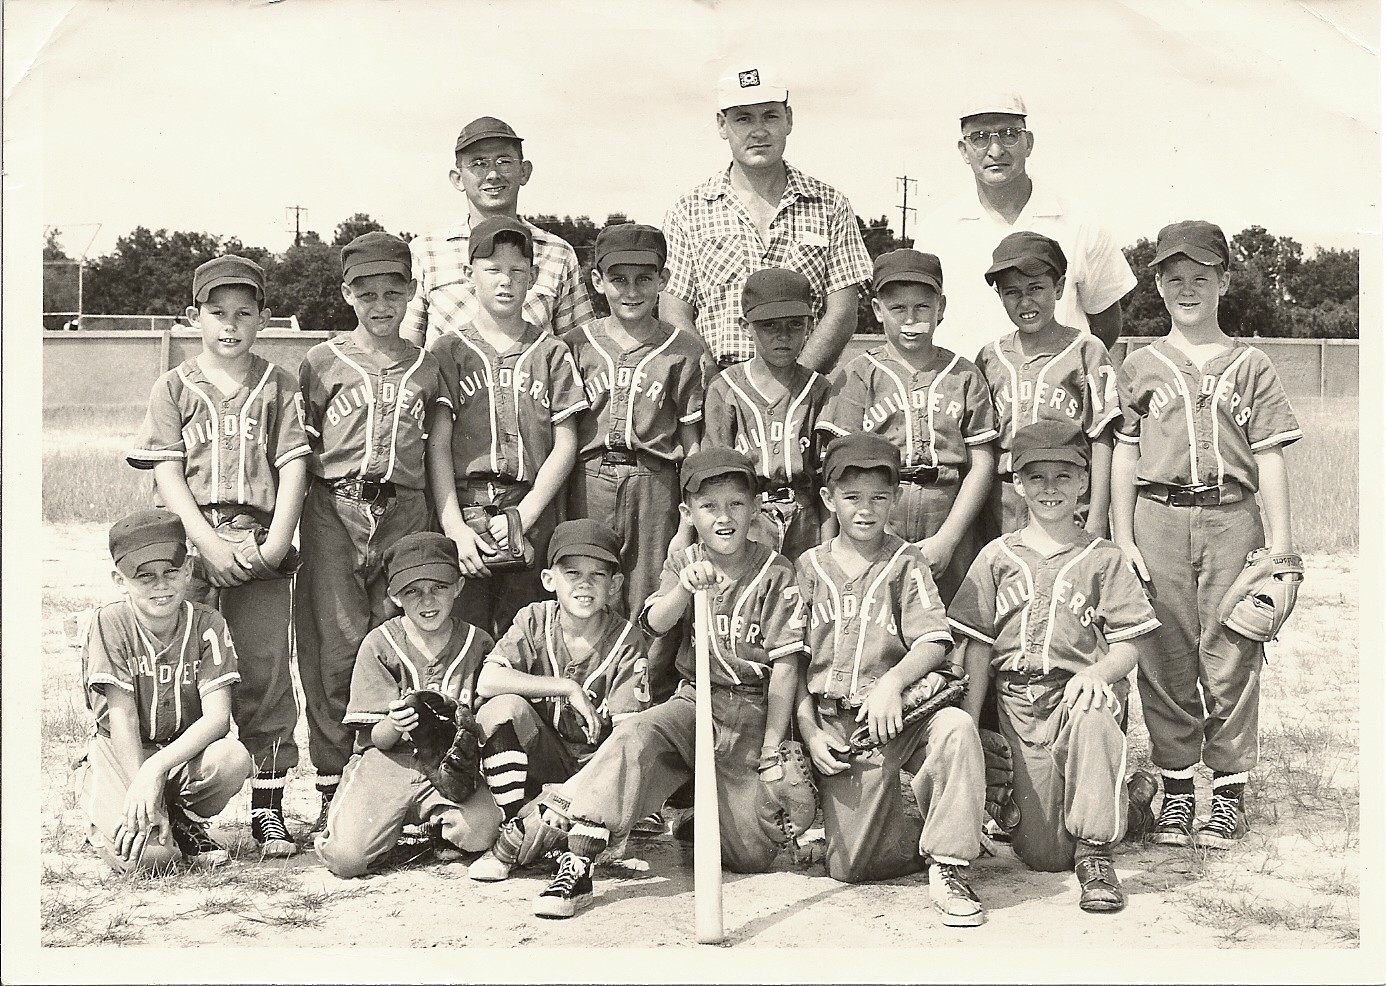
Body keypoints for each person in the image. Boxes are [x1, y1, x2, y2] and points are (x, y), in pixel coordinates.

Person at [528, 449, 806, 919]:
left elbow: (786, 665)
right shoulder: (685, 559)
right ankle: (578, 859)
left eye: (736, 504)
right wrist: (684, 587)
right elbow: (654, 622)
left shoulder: (777, 570)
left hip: (751, 712)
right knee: (636, 734)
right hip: (694, 701)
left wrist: (772, 747)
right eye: (709, 506)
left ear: (756, 508)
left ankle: (700, 810)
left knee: (749, 856)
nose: (723, 517)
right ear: (688, 513)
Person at [1111, 220, 1300, 850]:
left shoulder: (1251, 364)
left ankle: (1226, 794)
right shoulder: (1140, 364)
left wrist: (1282, 550)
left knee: (1233, 649)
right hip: (1157, 518)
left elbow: (1270, 455)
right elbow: (1125, 452)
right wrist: (1122, 536)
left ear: (1224, 281)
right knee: (1163, 654)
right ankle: (1175, 791)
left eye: (1201, 276)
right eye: (1174, 278)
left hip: (1231, 517)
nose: (1187, 289)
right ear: (1158, 285)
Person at [127, 255, 310, 857]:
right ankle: (180, 805)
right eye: (217, 312)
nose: (231, 324)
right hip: (188, 544)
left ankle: (268, 811)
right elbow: (167, 471)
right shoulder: (173, 385)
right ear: (193, 316)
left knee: (263, 670)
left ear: (264, 318)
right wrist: (205, 541)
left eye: (244, 312)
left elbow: (293, 465)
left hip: (257, 541)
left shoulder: (279, 383)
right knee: (185, 672)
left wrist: (276, 542)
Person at [950, 420, 1161, 912]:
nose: (1050, 488)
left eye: (1063, 476)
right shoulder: (996, 556)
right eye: (1037, 477)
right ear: (1018, 484)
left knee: (1094, 710)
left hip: (1076, 695)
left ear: (1084, 481)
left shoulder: (1104, 557)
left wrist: (1098, 673)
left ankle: (1096, 855)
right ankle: (1128, 804)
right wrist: (974, 723)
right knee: (1044, 857)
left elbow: (1131, 645)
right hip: (1018, 704)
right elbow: (976, 648)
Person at [295, 232, 453, 834]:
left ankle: (397, 779)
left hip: (404, 510)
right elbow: (298, 453)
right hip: (335, 508)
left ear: (411, 291)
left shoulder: (426, 364)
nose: (380, 304)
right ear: (346, 293)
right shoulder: (321, 361)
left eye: (392, 291)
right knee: (334, 649)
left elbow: (436, 451)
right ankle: (333, 782)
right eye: (367, 293)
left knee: (399, 644)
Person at [795, 434, 987, 925]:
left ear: (895, 498)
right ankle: (918, 823)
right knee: (851, 866)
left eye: (879, 497)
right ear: (828, 499)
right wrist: (811, 732)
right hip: (843, 726)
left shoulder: (907, 560)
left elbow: (934, 640)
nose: (866, 510)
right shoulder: (809, 567)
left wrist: (892, 683)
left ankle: (949, 864)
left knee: (956, 728)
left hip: (901, 712)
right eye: (852, 497)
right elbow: (792, 662)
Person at [428, 217, 589, 639]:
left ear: (532, 277)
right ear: (469, 275)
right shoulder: (448, 350)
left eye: (517, 271)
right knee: (463, 636)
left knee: (527, 634)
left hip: (530, 507)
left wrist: (525, 515)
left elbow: (566, 443)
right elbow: (438, 446)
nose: (506, 281)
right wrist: (455, 529)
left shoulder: (552, 351)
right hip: (466, 509)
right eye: (493, 269)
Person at [466, 519, 651, 882]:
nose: (584, 584)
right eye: (572, 573)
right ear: (550, 580)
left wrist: (570, 795)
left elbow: (627, 742)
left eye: (597, 575)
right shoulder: (535, 618)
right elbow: (487, 681)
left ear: (614, 585)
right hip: (543, 759)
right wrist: (566, 687)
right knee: (501, 708)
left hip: (596, 769)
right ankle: (515, 823)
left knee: (587, 819)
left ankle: (544, 832)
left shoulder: (627, 640)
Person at [72, 509, 254, 874]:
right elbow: (122, 717)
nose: (161, 585)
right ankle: (101, 803)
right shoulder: (110, 622)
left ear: (188, 570)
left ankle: (182, 817)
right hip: (120, 752)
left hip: (176, 751)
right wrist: (141, 783)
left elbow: (218, 719)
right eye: (145, 576)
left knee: (232, 757)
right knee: (153, 861)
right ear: (120, 579)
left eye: (171, 571)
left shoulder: (207, 623)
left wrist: (155, 768)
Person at [660, 66, 872, 373]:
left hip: (806, 387)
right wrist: (720, 388)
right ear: (722, 124)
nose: (758, 131)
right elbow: (674, 313)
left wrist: (797, 385)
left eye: (770, 116)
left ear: (789, 119)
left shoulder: (830, 204)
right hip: (716, 385)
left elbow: (843, 311)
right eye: (743, 118)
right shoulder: (688, 211)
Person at [315, 532, 501, 878]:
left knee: (481, 834)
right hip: (388, 762)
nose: (427, 600)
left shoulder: (478, 642)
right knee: (346, 860)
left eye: (439, 587)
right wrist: (395, 723)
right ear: (394, 596)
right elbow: (377, 739)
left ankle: (432, 827)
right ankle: (368, 825)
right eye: (412, 591)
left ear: (459, 586)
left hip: (450, 768)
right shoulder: (380, 643)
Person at [817, 250, 998, 603]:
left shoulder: (963, 374)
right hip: (880, 518)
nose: (910, 319)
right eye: (898, 308)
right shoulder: (859, 374)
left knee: (951, 615)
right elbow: (839, 469)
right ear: (877, 310)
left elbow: (981, 463)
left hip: (949, 514)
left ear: (941, 307)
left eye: (922, 307)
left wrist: (948, 539)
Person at [562, 223, 712, 631]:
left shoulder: (683, 349)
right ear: (598, 281)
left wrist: (687, 524)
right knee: (587, 582)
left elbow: (692, 444)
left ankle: (645, 671)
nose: (631, 291)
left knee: (649, 588)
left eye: (644, 279)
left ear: (663, 279)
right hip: (588, 480)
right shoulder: (575, 344)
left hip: (654, 481)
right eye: (619, 279)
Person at [915, 92, 1136, 358]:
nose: (995, 151)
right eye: (979, 138)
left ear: (1028, 143)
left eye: (1009, 134)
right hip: (968, 383)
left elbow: (1106, 323)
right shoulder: (936, 231)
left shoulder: (1080, 222)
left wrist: (1063, 370)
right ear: (964, 150)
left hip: (1058, 383)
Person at [401, 116, 596, 349]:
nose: (493, 174)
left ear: (524, 171)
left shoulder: (558, 252)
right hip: (449, 374)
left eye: (503, 161)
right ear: (457, 178)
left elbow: (578, 349)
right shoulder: (425, 251)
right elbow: (406, 349)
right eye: (478, 164)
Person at [975, 230, 1119, 536]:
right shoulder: (990, 357)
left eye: (1036, 288)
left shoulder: (1086, 350)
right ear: (999, 296)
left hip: (1067, 499)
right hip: (1003, 504)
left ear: (1059, 287)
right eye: (1012, 292)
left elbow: (1102, 439)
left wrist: (1097, 518)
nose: (1025, 301)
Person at [703, 268, 833, 562]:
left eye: (795, 324)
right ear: (745, 326)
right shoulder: (725, 388)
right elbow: (712, 477)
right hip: (746, 520)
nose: (783, 335)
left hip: (805, 519)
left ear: (809, 325)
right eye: (769, 325)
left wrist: (828, 549)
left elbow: (827, 478)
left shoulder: (819, 389)